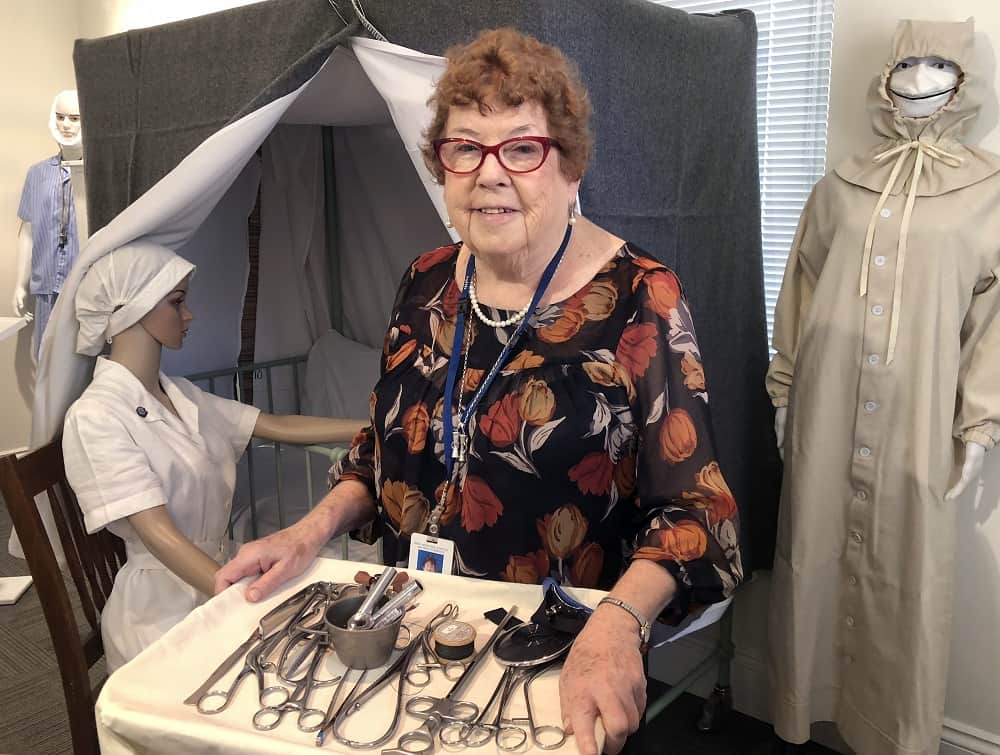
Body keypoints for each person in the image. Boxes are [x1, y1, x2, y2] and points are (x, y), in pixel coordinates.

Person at [216, 28, 743, 754]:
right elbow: (379, 449)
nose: (489, 174)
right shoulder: (425, 281)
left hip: (558, 660)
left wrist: (618, 625)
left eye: (521, 149)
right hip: (411, 637)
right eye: (465, 148)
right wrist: (305, 534)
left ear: (569, 166)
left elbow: (697, 513)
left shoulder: (639, 296)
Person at [766, 19, 1000, 755]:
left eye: (940, 65)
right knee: (813, 556)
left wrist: (979, 423)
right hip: (826, 407)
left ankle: (892, 732)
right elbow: (800, 293)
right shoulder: (839, 185)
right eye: (908, 63)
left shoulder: (990, 193)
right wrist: (785, 391)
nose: (921, 78)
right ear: (886, 78)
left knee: (908, 577)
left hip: (917, 418)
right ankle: (807, 708)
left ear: (965, 81)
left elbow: (993, 322)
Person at [62, 241, 366, 671]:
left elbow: (275, 424)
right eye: (177, 301)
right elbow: (158, 535)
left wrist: (378, 425)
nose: (189, 315)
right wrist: (243, 598)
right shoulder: (96, 415)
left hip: (215, 575)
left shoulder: (180, 394)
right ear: (133, 308)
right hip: (160, 613)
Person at [12, 90, 84, 358]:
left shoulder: (98, 174)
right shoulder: (38, 174)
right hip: (46, 287)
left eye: (74, 118)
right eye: (60, 117)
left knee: (83, 361)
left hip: (85, 287)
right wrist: (20, 284)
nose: (66, 125)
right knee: (46, 358)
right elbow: (28, 231)